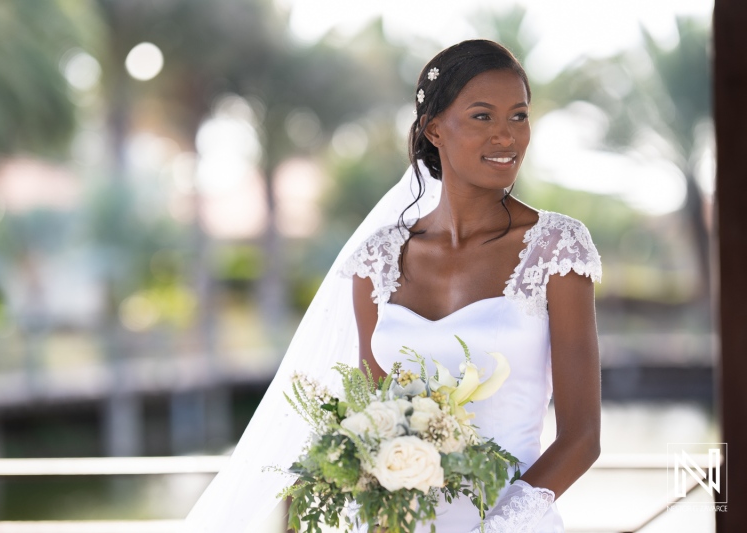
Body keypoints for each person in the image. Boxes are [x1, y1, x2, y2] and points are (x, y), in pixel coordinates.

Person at [183, 39, 602, 533]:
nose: (507, 137)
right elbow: (371, 420)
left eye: (520, 116)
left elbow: (582, 438)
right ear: (435, 130)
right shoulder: (377, 261)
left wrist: (495, 529)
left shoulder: (557, 248)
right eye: (483, 117)